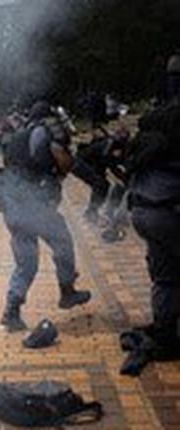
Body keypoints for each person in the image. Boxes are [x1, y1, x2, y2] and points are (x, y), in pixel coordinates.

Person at [0, 101, 91, 332]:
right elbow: (62, 162)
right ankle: (67, 291)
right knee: (63, 242)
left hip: (10, 205)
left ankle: (12, 312)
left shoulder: (17, 136)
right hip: (34, 204)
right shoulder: (46, 132)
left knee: (26, 262)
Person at [119, 54, 180, 375]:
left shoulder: (153, 119)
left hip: (143, 210)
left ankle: (167, 335)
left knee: (166, 277)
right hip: (170, 210)